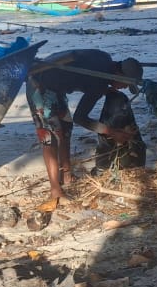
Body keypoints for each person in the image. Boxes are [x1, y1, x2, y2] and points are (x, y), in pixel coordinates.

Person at [26, 50, 143, 210]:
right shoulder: (99, 83)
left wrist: (104, 89)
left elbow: (80, 70)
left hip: (56, 87)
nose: (123, 88)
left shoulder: (105, 58)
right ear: (118, 75)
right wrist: (111, 132)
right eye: (125, 84)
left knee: (65, 129)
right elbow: (81, 118)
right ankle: (55, 190)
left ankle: (67, 175)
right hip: (39, 84)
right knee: (49, 137)